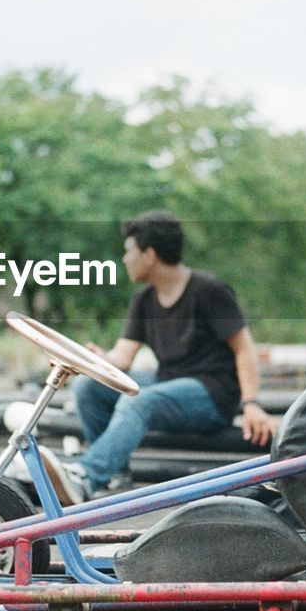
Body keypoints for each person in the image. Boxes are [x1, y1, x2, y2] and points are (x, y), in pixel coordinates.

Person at [51, 210, 276, 502]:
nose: (124, 259)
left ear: (149, 254)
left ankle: (87, 476)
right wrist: (93, 359)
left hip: (212, 394)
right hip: (167, 382)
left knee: (141, 400)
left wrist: (252, 404)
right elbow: (121, 359)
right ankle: (115, 474)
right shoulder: (143, 300)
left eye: (128, 252)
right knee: (88, 387)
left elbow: (244, 349)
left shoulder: (209, 290)